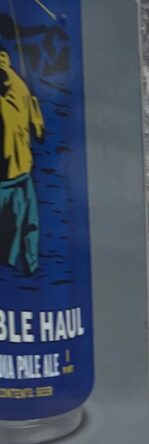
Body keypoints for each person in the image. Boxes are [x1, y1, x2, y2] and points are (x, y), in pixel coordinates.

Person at [0, 49, 44, 275]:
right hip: (24, 174)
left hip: (7, 180)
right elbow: (40, 132)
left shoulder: (11, 83)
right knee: (29, 232)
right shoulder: (22, 86)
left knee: (7, 254)